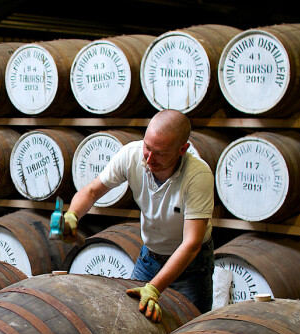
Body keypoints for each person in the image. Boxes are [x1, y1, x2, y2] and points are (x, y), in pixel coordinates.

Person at [63, 109, 214, 321]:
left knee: (190, 328)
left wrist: (154, 289)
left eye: (160, 153)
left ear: (182, 149)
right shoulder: (131, 155)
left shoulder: (198, 176)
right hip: (150, 257)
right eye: (147, 147)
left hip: (191, 266)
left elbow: (192, 243)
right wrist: (72, 215)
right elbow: (92, 191)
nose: (150, 159)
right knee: (132, 321)